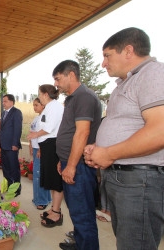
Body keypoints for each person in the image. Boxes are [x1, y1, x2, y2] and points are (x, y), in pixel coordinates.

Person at [84, 27, 164, 250]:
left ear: (128, 51)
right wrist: (99, 148)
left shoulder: (153, 73)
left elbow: (160, 131)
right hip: (126, 179)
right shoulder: (127, 83)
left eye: (107, 55)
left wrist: (108, 153)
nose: (103, 63)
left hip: (140, 180)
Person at [53, 60, 101, 250]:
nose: (56, 84)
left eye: (58, 78)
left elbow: (82, 133)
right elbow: (70, 130)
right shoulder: (73, 97)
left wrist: (71, 165)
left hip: (79, 165)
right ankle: (80, 243)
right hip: (69, 161)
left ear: (71, 74)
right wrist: (63, 160)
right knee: (76, 210)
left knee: (83, 213)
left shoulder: (84, 97)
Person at [27, 85, 63, 227]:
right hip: (47, 145)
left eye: (40, 94)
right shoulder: (49, 107)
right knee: (51, 181)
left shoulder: (54, 106)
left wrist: (36, 134)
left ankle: (56, 212)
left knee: (55, 180)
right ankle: (54, 209)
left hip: (52, 144)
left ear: (46, 94)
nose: (39, 97)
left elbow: (49, 127)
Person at [28, 98, 51, 210]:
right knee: (40, 174)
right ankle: (44, 198)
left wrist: (41, 149)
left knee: (39, 175)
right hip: (36, 148)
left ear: (43, 105)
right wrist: (31, 145)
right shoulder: (36, 118)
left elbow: (45, 135)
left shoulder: (45, 118)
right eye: (33, 105)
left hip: (42, 149)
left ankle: (42, 200)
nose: (34, 107)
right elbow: (32, 132)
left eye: (36, 105)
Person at [0, 94, 23, 196]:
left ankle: (16, 189)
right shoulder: (3, 113)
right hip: (4, 145)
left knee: (14, 168)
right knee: (6, 168)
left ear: (11, 102)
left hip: (11, 146)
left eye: (5, 101)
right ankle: (9, 186)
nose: (3, 103)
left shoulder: (16, 112)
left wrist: (15, 144)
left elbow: (17, 130)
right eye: (3, 101)